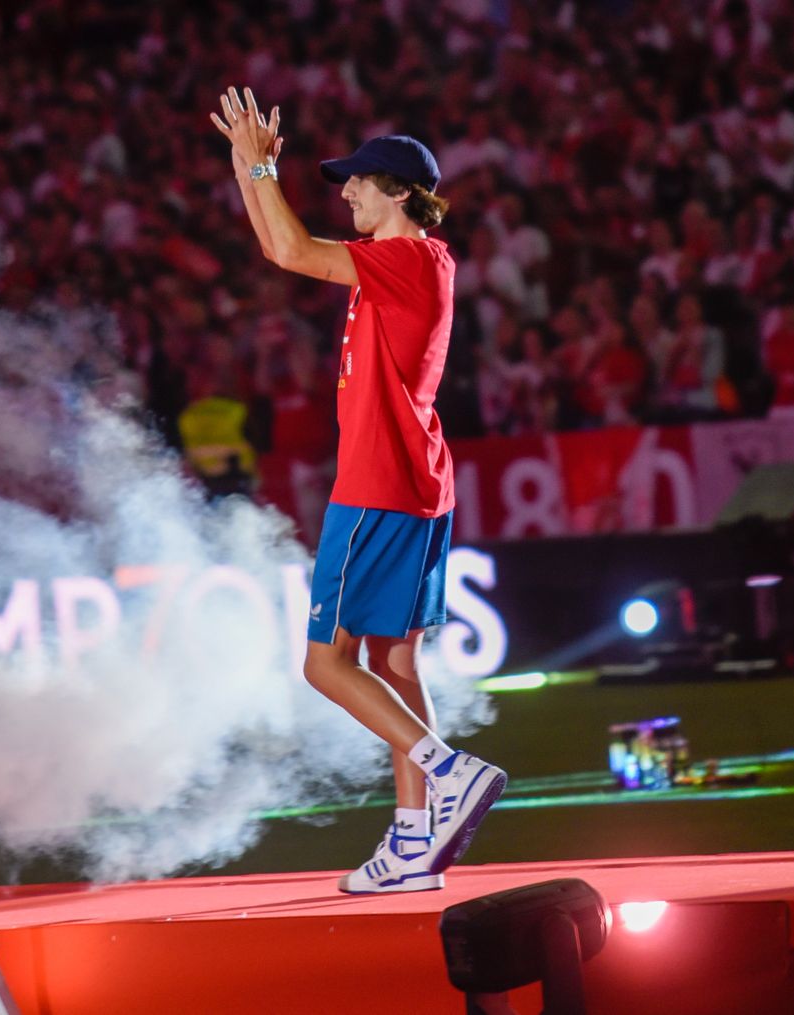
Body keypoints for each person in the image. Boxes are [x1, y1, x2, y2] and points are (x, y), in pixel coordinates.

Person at [210, 87, 506, 894]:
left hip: (376, 483)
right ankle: (416, 844)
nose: (345, 192)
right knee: (394, 659)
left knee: (325, 663)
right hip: (416, 482)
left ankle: (449, 771)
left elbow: (291, 252)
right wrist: (248, 168)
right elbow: (283, 242)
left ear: (401, 193)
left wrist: (263, 164)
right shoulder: (413, 264)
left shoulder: (404, 261)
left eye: (359, 183)